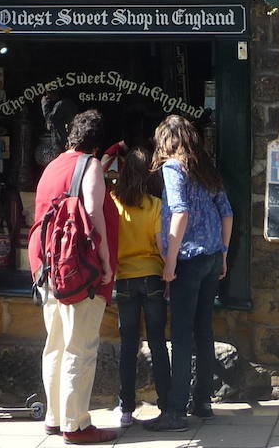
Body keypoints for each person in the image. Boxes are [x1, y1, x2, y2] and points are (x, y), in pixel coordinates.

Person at [29, 109, 118, 444]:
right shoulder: (90, 165)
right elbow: (94, 215)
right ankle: (76, 424)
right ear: (97, 143)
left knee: (56, 344)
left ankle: (54, 417)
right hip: (79, 269)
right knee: (81, 347)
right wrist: (107, 263)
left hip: (49, 268)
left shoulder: (52, 166)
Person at [143, 115, 232, 433]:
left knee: (180, 336)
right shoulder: (204, 166)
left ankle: (176, 412)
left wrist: (169, 262)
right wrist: (222, 253)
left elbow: (180, 211)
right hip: (210, 257)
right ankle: (203, 402)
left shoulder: (172, 168)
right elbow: (227, 212)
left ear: (164, 141)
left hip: (189, 258)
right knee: (203, 331)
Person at [109, 146, 170, 428]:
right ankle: (167, 404)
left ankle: (126, 408)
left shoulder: (113, 202)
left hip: (124, 279)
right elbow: (160, 244)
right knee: (157, 342)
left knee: (128, 345)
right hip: (152, 276)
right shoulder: (156, 204)